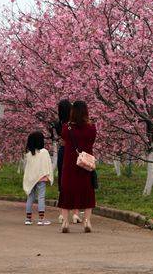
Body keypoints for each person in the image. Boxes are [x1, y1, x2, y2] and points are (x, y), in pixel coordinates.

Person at [58, 100, 96, 233]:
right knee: (87, 191)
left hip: (69, 164)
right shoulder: (91, 128)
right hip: (85, 164)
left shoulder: (66, 128)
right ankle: (86, 221)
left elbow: (63, 138)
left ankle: (66, 222)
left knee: (67, 190)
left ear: (72, 112)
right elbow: (92, 140)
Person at [54, 99, 81, 224]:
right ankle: (76, 213)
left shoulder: (58, 124)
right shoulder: (75, 123)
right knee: (76, 181)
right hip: (73, 153)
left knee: (63, 181)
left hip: (62, 151)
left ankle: (62, 213)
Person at [23, 131, 53, 226]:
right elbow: (48, 165)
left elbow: (26, 168)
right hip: (41, 178)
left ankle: (28, 219)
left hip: (31, 179)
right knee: (41, 197)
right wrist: (48, 176)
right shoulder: (44, 152)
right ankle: (41, 219)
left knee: (30, 197)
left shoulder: (28, 154)